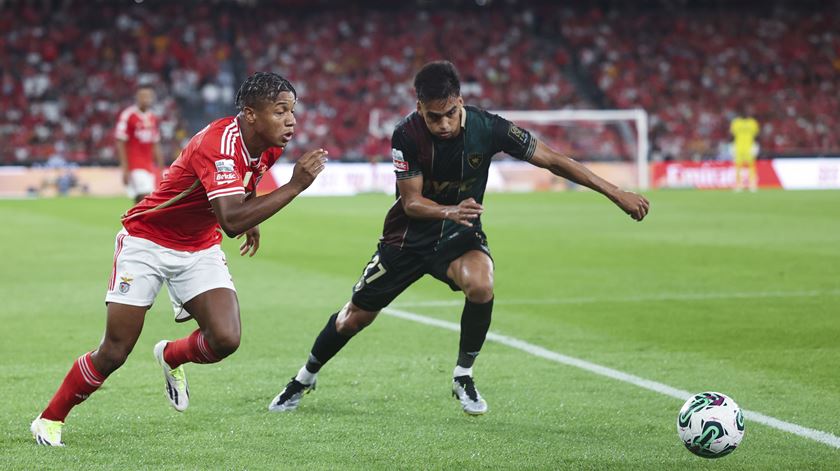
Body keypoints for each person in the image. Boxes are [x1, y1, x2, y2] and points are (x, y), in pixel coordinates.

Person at [268, 61, 649, 416]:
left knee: (481, 284)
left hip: (458, 236)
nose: (444, 124)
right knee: (353, 319)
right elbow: (412, 203)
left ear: (460, 102)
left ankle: (463, 376)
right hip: (407, 240)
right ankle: (303, 378)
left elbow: (553, 159)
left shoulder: (490, 128)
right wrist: (451, 210)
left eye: (450, 113)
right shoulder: (406, 134)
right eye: (434, 116)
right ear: (420, 108)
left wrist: (616, 192)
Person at [31, 72, 329, 446]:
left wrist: (251, 207)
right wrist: (295, 185)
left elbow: (244, 189)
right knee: (115, 350)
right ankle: (49, 418)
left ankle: (171, 355)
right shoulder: (218, 143)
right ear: (251, 114)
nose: (291, 121)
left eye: (292, 111)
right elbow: (232, 221)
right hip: (147, 242)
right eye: (281, 111)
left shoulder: (269, 143)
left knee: (225, 338)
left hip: (199, 245)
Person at [115, 84, 165, 203]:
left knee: (142, 200)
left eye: (148, 96)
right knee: (145, 197)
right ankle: (137, 221)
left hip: (149, 165)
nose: (146, 99)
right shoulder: (128, 115)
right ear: (137, 97)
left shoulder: (152, 117)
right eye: (143, 96)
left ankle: (133, 221)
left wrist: (161, 168)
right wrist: (125, 169)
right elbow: (120, 142)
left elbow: (155, 144)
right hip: (134, 165)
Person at [730, 112, 760, 192]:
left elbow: (757, 135)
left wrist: (755, 145)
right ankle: (738, 185)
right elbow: (732, 135)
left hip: (749, 147)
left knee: (751, 167)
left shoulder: (752, 122)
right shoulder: (736, 122)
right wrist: (732, 145)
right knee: (738, 167)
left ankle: (752, 185)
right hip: (738, 147)